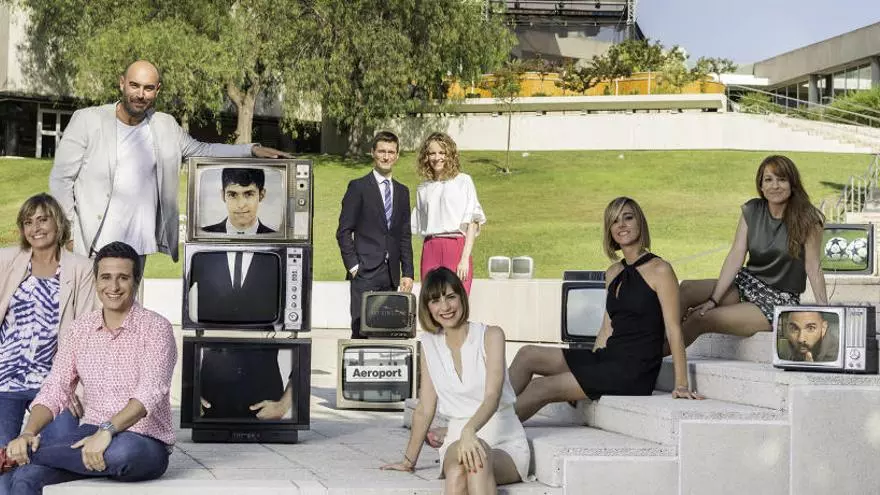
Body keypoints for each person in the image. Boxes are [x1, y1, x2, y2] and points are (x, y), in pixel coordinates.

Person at [49, 60, 290, 265]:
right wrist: (69, 236)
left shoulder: (164, 125)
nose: (140, 94)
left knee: (128, 308)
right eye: (134, 85)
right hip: (91, 245)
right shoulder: (87, 120)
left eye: (148, 88)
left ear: (157, 90)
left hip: (137, 248)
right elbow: (61, 181)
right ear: (122, 83)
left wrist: (251, 150)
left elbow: (202, 150)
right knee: (86, 308)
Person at [1, 242, 177, 494]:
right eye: (106, 277)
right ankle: (30, 454)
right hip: (89, 433)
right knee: (26, 477)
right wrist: (28, 432)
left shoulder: (156, 328)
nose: (113, 287)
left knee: (121, 452)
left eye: (123, 278)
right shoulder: (80, 329)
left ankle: (20, 455)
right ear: (95, 281)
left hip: (142, 440)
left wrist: (107, 431)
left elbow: (150, 392)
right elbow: (56, 387)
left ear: (136, 281)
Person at [508, 197, 702, 423]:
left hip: (632, 371)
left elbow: (673, 329)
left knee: (541, 387)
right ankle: (487, 415)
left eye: (628, 218)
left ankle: (490, 431)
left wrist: (681, 384)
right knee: (527, 354)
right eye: (614, 221)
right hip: (607, 357)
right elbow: (606, 329)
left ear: (640, 222)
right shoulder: (613, 272)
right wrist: (583, 374)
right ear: (609, 230)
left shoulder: (660, 270)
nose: (622, 225)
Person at [381, 267, 530, 493]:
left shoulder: (491, 335)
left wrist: (470, 431)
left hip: (505, 442)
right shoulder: (429, 344)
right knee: (464, 464)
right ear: (427, 307)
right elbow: (425, 408)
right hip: (456, 441)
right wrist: (408, 461)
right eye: (435, 301)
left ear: (461, 297)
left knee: (475, 462)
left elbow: (492, 395)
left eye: (450, 297)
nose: (445, 307)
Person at [0, 194, 98, 494]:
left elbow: (86, 332)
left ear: (58, 223)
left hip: (54, 384)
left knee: (59, 455)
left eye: (43, 219)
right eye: (28, 222)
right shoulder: (6, 260)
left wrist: (75, 388)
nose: (35, 228)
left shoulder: (81, 268)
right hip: (5, 380)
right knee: (3, 462)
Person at [678, 155, 827, 347]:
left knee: (699, 318)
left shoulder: (808, 219)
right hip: (746, 285)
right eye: (768, 180)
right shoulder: (752, 210)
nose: (775, 186)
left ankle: (653, 354)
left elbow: (813, 267)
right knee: (686, 288)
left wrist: (826, 312)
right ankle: (650, 341)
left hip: (777, 300)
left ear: (792, 183)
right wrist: (714, 299)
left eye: (782, 179)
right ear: (761, 185)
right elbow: (736, 256)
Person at [337, 130, 414, 339]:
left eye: (391, 152)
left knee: (387, 333)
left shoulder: (403, 191)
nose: (386, 157)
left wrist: (407, 272)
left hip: (391, 274)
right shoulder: (358, 187)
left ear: (397, 155)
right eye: (382, 151)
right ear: (373, 153)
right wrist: (354, 267)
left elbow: (404, 235)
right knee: (361, 332)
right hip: (364, 272)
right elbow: (343, 231)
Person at [411, 132, 485, 294]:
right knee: (431, 301)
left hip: (456, 247)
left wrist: (464, 258)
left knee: (456, 300)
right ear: (426, 157)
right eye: (432, 153)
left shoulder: (463, 181)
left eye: (442, 152)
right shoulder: (423, 188)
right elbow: (419, 225)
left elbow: (473, 221)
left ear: (450, 154)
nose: (437, 158)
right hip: (430, 248)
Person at [188, 249, 279, 324]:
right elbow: (188, 287)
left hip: (257, 323)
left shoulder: (270, 260)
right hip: (213, 324)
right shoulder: (204, 258)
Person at [202, 168, 277, 234]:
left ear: (261, 195)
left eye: (249, 194)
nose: (241, 205)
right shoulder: (205, 233)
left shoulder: (273, 237)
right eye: (232, 195)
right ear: (223, 196)